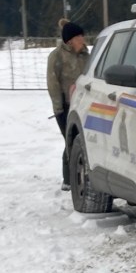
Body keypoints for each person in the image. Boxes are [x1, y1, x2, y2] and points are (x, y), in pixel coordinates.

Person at [46, 19, 88, 186]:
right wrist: (58, 109)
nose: (83, 39)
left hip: (85, 105)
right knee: (71, 140)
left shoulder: (86, 55)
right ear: (70, 40)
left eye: (82, 36)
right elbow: (53, 83)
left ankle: (76, 177)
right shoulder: (56, 56)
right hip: (66, 107)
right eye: (79, 37)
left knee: (80, 140)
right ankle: (69, 179)